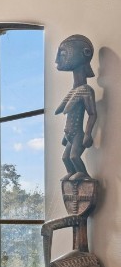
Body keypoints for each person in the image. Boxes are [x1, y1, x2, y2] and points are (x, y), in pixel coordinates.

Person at [54, 34, 98, 181]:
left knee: (74, 156)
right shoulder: (74, 91)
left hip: (78, 134)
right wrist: (65, 136)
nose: (57, 60)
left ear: (84, 53)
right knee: (65, 158)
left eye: (63, 53)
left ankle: (82, 174)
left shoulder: (86, 90)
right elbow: (63, 111)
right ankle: (72, 174)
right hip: (69, 135)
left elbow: (92, 114)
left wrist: (88, 134)